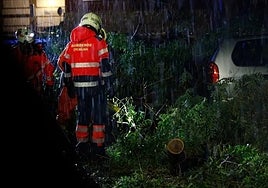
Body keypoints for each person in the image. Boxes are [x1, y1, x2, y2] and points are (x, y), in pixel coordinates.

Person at [57, 12, 113, 160]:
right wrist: (109, 85)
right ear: (96, 24)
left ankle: (82, 148)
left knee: (82, 118)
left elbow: (64, 63)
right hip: (95, 88)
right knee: (98, 118)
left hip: (78, 89)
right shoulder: (99, 41)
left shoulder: (72, 43)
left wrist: (69, 82)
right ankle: (98, 150)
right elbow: (105, 66)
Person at [14, 27, 55, 98]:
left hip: (35, 87)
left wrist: (49, 84)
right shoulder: (15, 53)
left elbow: (48, 67)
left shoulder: (37, 53)